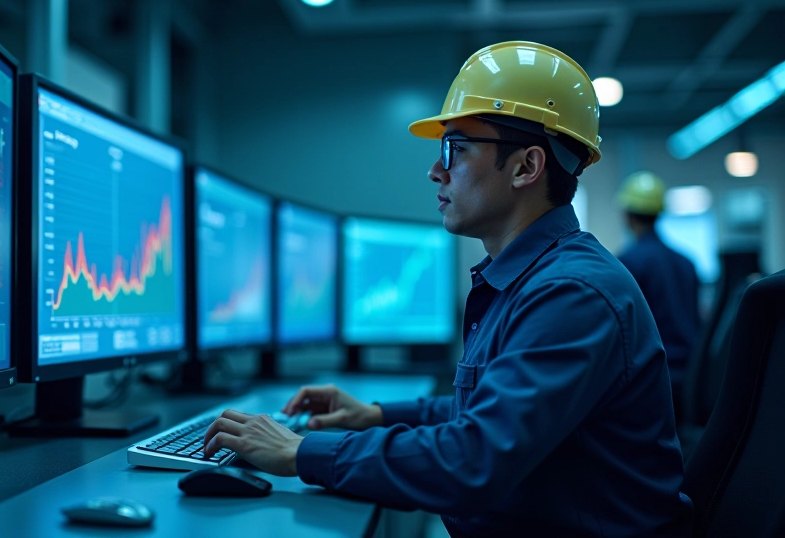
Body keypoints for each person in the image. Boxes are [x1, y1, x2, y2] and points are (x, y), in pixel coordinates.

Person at [202, 41, 691, 537]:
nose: (435, 170)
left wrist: (299, 451)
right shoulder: (530, 278)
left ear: (527, 166)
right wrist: (372, 414)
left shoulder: (571, 293)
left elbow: (472, 461)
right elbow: (489, 408)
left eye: (455, 149)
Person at [616, 171, 701, 424]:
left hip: (652, 379)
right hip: (692, 376)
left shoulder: (628, 263)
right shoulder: (687, 262)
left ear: (628, 215)